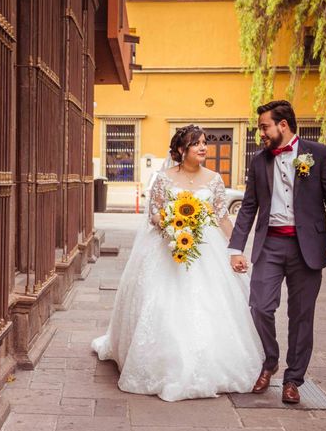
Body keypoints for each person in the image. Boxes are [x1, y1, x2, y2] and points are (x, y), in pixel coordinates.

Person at [91, 125, 264, 402]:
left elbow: (221, 217)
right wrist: (172, 226)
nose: (204, 148)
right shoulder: (164, 179)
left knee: (213, 304)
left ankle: (214, 363)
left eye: (205, 143)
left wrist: (236, 249)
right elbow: (155, 214)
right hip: (170, 248)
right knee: (161, 303)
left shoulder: (215, 180)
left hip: (207, 249)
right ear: (182, 150)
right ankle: (165, 363)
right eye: (197, 144)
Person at [228, 100, 326, 404]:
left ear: (283, 125)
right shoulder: (259, 161)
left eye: (264, 127)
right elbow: (249, 207)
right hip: (269, 245)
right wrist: (235, 248)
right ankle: (270, 362)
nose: (261, 134)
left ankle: (293, 379)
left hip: (307, 247)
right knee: (260, 306)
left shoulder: (318, 154)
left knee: (301, 316)